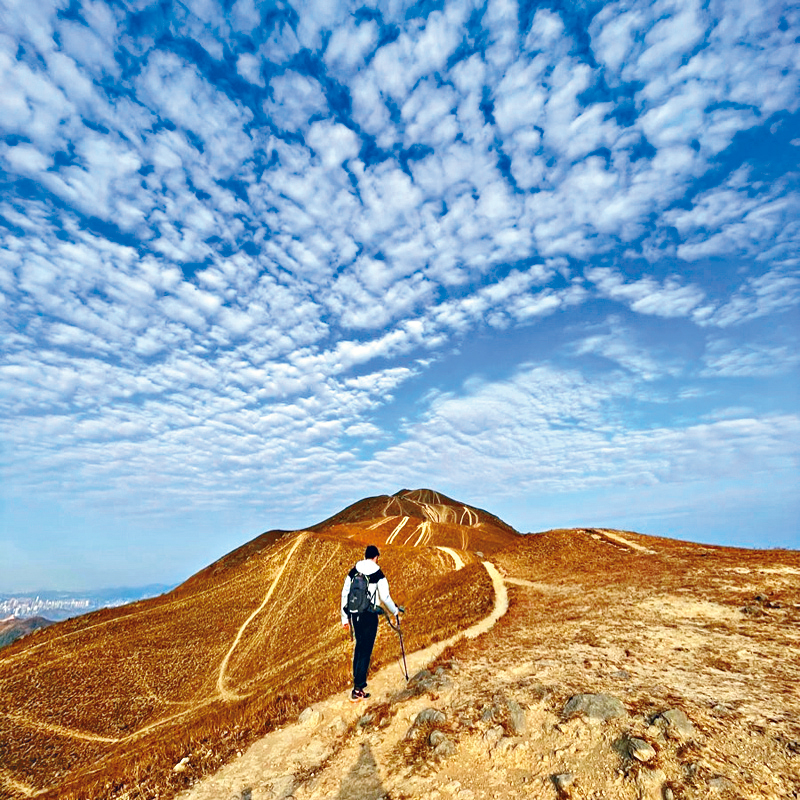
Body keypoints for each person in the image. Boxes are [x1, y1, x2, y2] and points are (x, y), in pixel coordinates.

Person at [341, 545, 402, 701]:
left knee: (359, 647)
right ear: (375, 557)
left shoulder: (354, 571)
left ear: (365, 556)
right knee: (366, 650)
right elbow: (385, 597)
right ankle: (358, 688)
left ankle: (358, 682)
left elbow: (345, 593)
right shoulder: (378, 573)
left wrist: (344, 617)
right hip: (369, 615)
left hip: (355, 615)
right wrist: (395, 611)